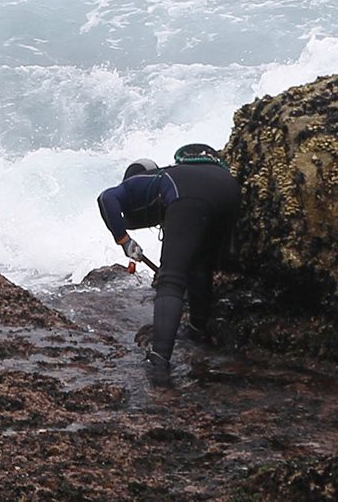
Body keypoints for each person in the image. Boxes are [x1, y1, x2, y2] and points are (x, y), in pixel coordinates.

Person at [96, 145, 240, 378]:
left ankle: (159, 360)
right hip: (230, 191)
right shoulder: (174, 176)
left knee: (170, 281)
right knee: (200, 265)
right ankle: (197, 330)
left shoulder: (138, 183)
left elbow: (106, 199)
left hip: (190, 197)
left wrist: (123, 240)